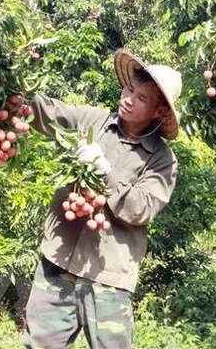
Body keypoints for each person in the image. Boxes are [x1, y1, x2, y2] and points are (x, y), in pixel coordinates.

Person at [24, 48, 182, 349]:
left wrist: (105, 171)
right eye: (129, 89)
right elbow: (48, 113)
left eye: (141, 98)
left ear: (160, 112)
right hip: (57, 264)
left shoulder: (162, 160)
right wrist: (9, 86)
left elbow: (142, 209)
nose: (128, 99)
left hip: (107, 277)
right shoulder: (92, 121)